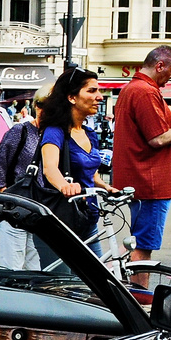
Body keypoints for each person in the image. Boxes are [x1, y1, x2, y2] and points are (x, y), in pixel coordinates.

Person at [111, 46, 171, 277]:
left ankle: (136, 298)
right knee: (143, 248)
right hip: (151, 182)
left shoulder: (135, 89)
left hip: (143, 179)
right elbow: (158, 139)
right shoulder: (145, 91)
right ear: (160, 66)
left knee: (140, 244)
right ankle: (139, 302)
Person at [35, 68, 119, 264]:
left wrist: (107, 187)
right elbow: (50, 168)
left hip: (87, 216)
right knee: (59, 284)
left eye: (99, 91)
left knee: (98, 278)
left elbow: (92, 174)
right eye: (91, 91)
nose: (99, 97)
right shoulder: (54, 131)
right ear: (72, 97)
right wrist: (65, 185)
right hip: (60, 219)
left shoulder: (89, 133)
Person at [0, 88, 48, 270]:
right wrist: (3, 193)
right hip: (16, 205)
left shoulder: (54, 136)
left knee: (33, 268)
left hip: (37, 210)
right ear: (38, 107)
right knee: (12, 267)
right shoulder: (21, 131)